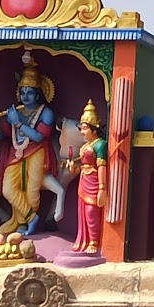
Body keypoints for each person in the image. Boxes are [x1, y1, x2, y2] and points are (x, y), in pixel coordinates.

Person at [0, 54, 57, 235]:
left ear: (38, 93)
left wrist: (17, 123)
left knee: (32, 190)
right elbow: (6, 136)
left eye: (30, 92)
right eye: (22, 92)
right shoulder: (15, 112)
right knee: (8, 189)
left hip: (37, 151)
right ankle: (32, 217)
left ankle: (24, 224)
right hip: (15, 153)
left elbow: (39, 137)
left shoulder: (45, 112)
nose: (25, 96)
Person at [63, 100, 108, 255]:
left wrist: (102, 188)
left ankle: (94, 241)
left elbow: (102, 166)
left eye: (84, 128)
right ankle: (85, 240)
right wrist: (73, 169)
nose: (82, 132)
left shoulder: (100, 145)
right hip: (84, 181)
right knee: (83, 212)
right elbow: (83, 168)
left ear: (93, 129)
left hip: (95, 182)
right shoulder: (84, 147)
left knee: (91, 212)